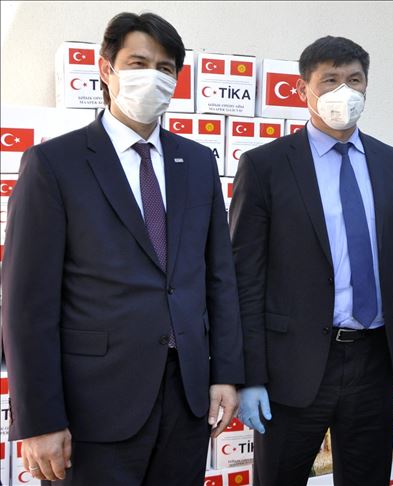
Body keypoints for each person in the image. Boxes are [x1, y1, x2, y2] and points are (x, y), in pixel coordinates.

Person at [0, 12, 244, 485]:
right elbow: (27, 303)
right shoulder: (54, 163)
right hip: (93, 406)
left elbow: (219, 277)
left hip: (187, 399)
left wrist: (226, 373)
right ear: (106, 69)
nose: (153, 76)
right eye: (138, 63)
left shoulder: (197, 162)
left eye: (165, 67)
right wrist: (40, 418)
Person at [229, 36, 393, 486]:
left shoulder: (392, 164)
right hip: (291, 367)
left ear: (367, 86)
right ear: (303, 89)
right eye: (330, 80)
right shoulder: (265, 166)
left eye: (354, 80)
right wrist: (248, 375)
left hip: (373, 361)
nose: (344, 91)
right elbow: (245, 280)